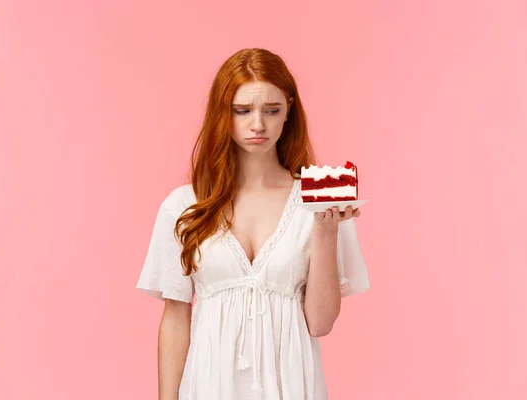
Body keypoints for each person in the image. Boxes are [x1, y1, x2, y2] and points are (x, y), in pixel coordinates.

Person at [136, 47, 370, 400]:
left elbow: (320, 324)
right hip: (208, 387)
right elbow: (175, 319)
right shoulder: (185, 205)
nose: (257, 124)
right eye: (242, 111)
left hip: (292, 387)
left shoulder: (320, 203)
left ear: (289, 110)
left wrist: (325, 229)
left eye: (271, 110)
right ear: (222, 114)